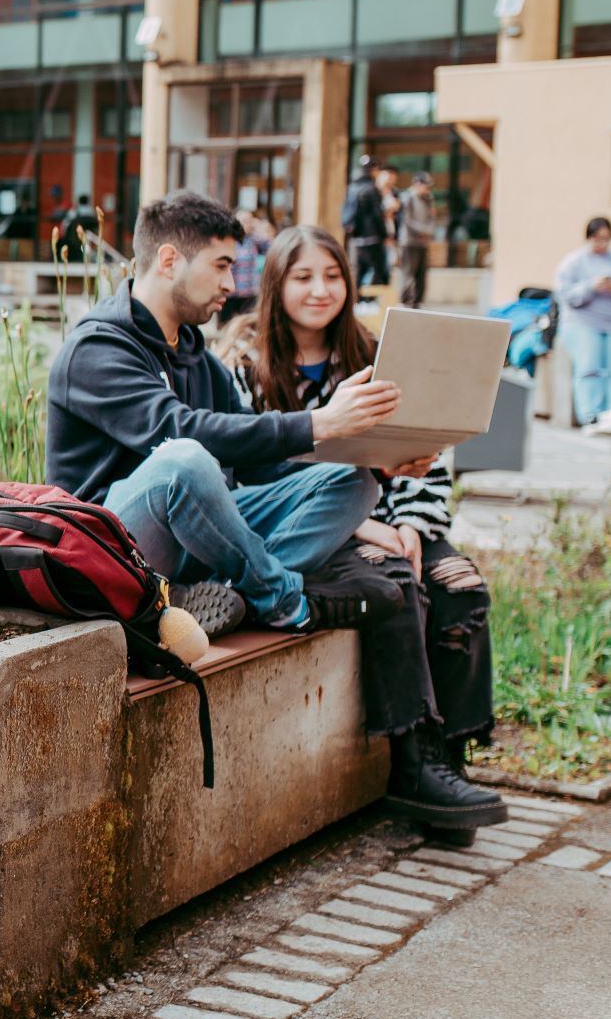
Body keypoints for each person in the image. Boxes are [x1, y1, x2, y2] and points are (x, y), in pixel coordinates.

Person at [220, 224, 506, 840]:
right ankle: (413, 762)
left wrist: (409, 520)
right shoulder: (244, 367)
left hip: (400, 517)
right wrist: (369, 524)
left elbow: (429, 445)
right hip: (326, 528)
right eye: (303, 277)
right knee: (400, 583)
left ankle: (450, 763)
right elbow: (252, 477)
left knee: (460, 585)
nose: (321, 290)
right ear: (275, 284)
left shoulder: (378, 355)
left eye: (333, 276)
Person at [46, 191, 398, 638]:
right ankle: (281, 600)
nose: (232, 285)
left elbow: (260, 464)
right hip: (109, 547)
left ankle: (222, 598)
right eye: (221, 265)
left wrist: (376, 461)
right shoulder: (96, 350)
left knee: (353, 478)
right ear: (170, 260)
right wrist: (318, 422)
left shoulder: (198, 359)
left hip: (199, 539)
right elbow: (179, 430)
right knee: (184, 459)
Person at [555, 217, 611, 424]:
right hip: (583, 321)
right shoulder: (574, 262)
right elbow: (566, 295)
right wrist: (591, 286)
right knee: (589, 367)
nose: (602, 243)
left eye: (606, 239)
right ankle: (590, 415)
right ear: (589, 238)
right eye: (598, 239)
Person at [342, 157, 389, 290]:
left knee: (357, 270)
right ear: (373, 170)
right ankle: (371, 303)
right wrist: (384, 235)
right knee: (378, 270)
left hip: (356, 237)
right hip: (372, 238)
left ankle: (356, 300)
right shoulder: (371, 189)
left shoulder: (352, 187)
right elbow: (377, 215)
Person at [219, 209, 273, 325]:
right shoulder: (229, 240)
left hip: (248, 292)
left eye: (249, 221)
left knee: (246, 325)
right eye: (243, 221)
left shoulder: (253, 240)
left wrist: (259, 228)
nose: (246, 224)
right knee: (226, 325)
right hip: (231, 292)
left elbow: (272, 249)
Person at [398, 171, 436, 309]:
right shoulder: (407, 198)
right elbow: (407, 220)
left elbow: (432, 218)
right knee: (408, 273)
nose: (427, 188)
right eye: (425, 185)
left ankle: (417, 302)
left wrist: (428, 231)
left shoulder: (429, 198)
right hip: (409, 242)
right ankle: (406, 301)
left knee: (421, 274)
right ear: (416, 184)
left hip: (423, 243)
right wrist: (422, 231)